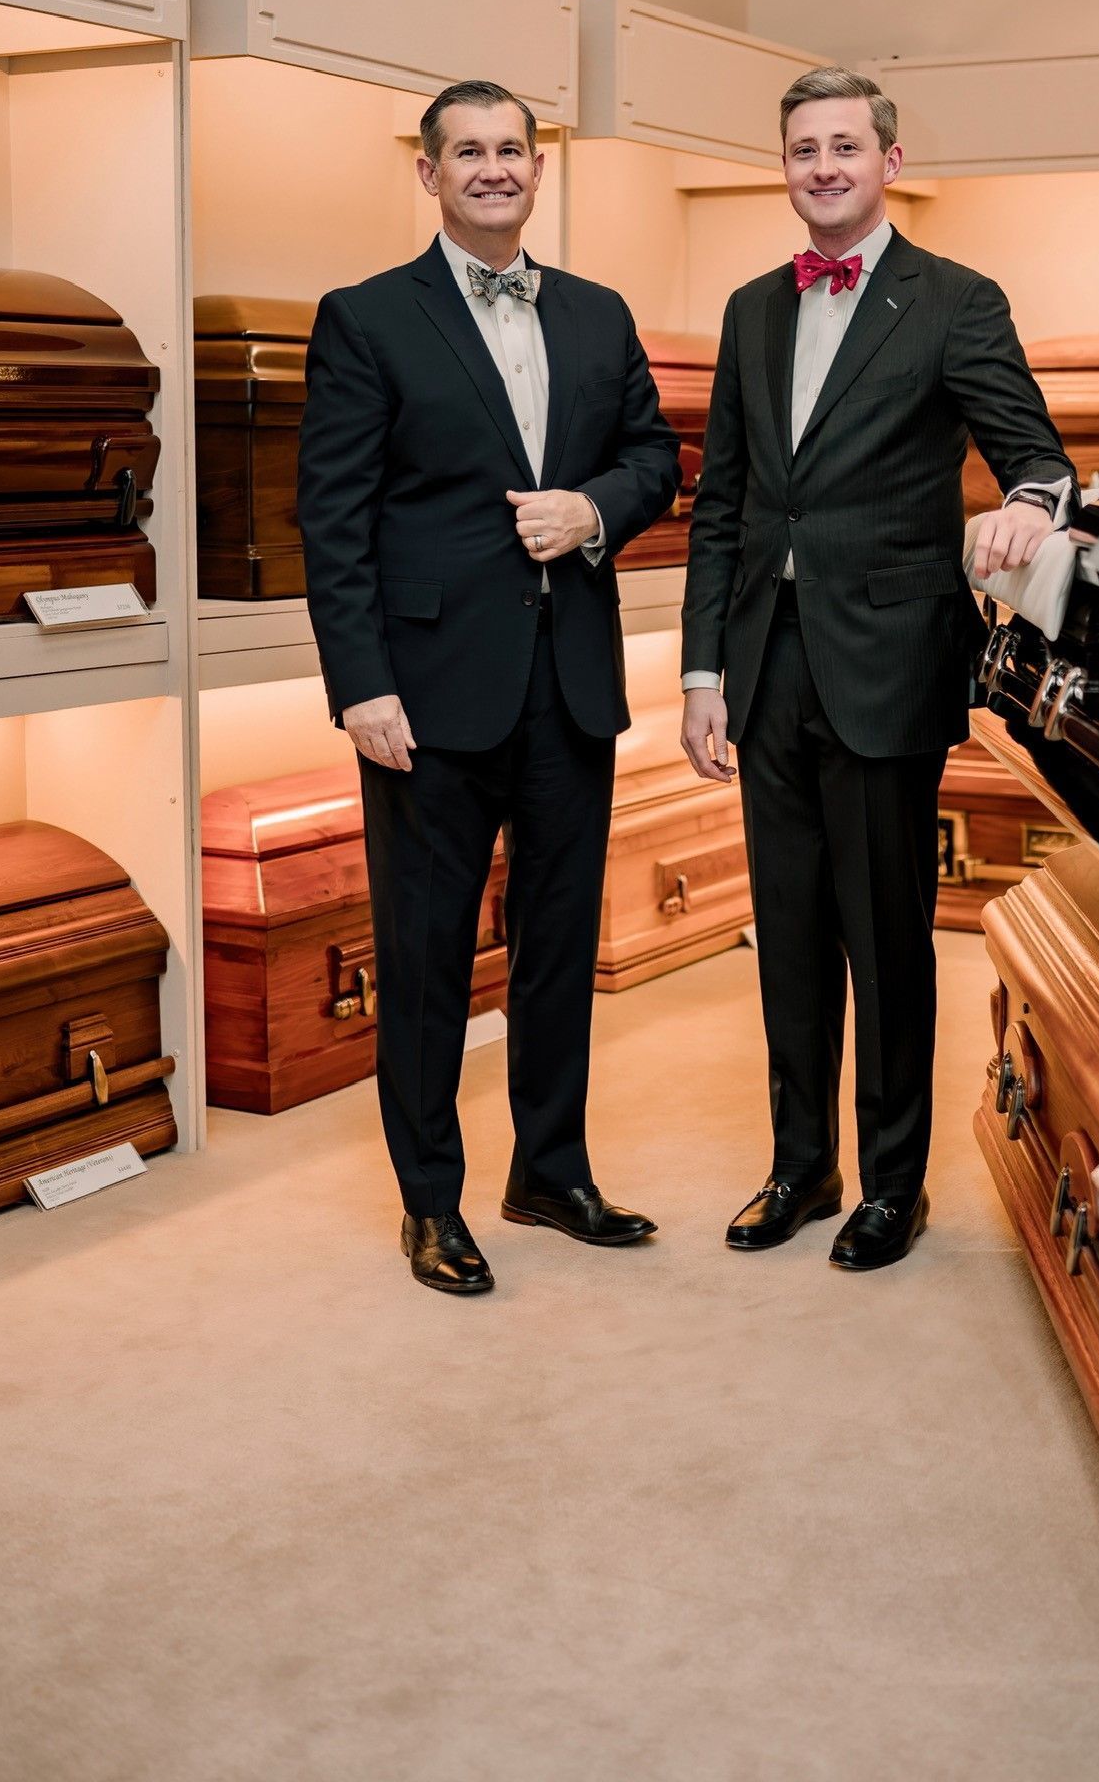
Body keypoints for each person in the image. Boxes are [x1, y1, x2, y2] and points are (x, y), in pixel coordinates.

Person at [680, 67, 1074, 1272]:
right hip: (766, 661)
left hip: (891, 660)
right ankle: (802, 1165)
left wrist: (1026, 508)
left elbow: (1038, 457)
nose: (823, 167)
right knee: (787, 932)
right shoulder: (751, 310)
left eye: (845, 146)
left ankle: (894, 1183)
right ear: (785, 166)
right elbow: (725, 506)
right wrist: (704, 670)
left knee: (884, 935)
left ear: (889, 162)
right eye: (803, 149)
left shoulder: (955, 299)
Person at [298, 79, 680, 1295]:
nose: (494, 168)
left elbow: (653, 460)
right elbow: (334, 516)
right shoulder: (364, 318)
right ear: (430, 173)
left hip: (569, 679)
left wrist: (594, 510)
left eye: (512, 148)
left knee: (560, 944)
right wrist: (359, 684)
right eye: (469, 151)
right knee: (423, 958)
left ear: (537, 166)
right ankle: (429, 1204)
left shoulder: (599, 311)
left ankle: (550, 1170)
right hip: (425, 693)